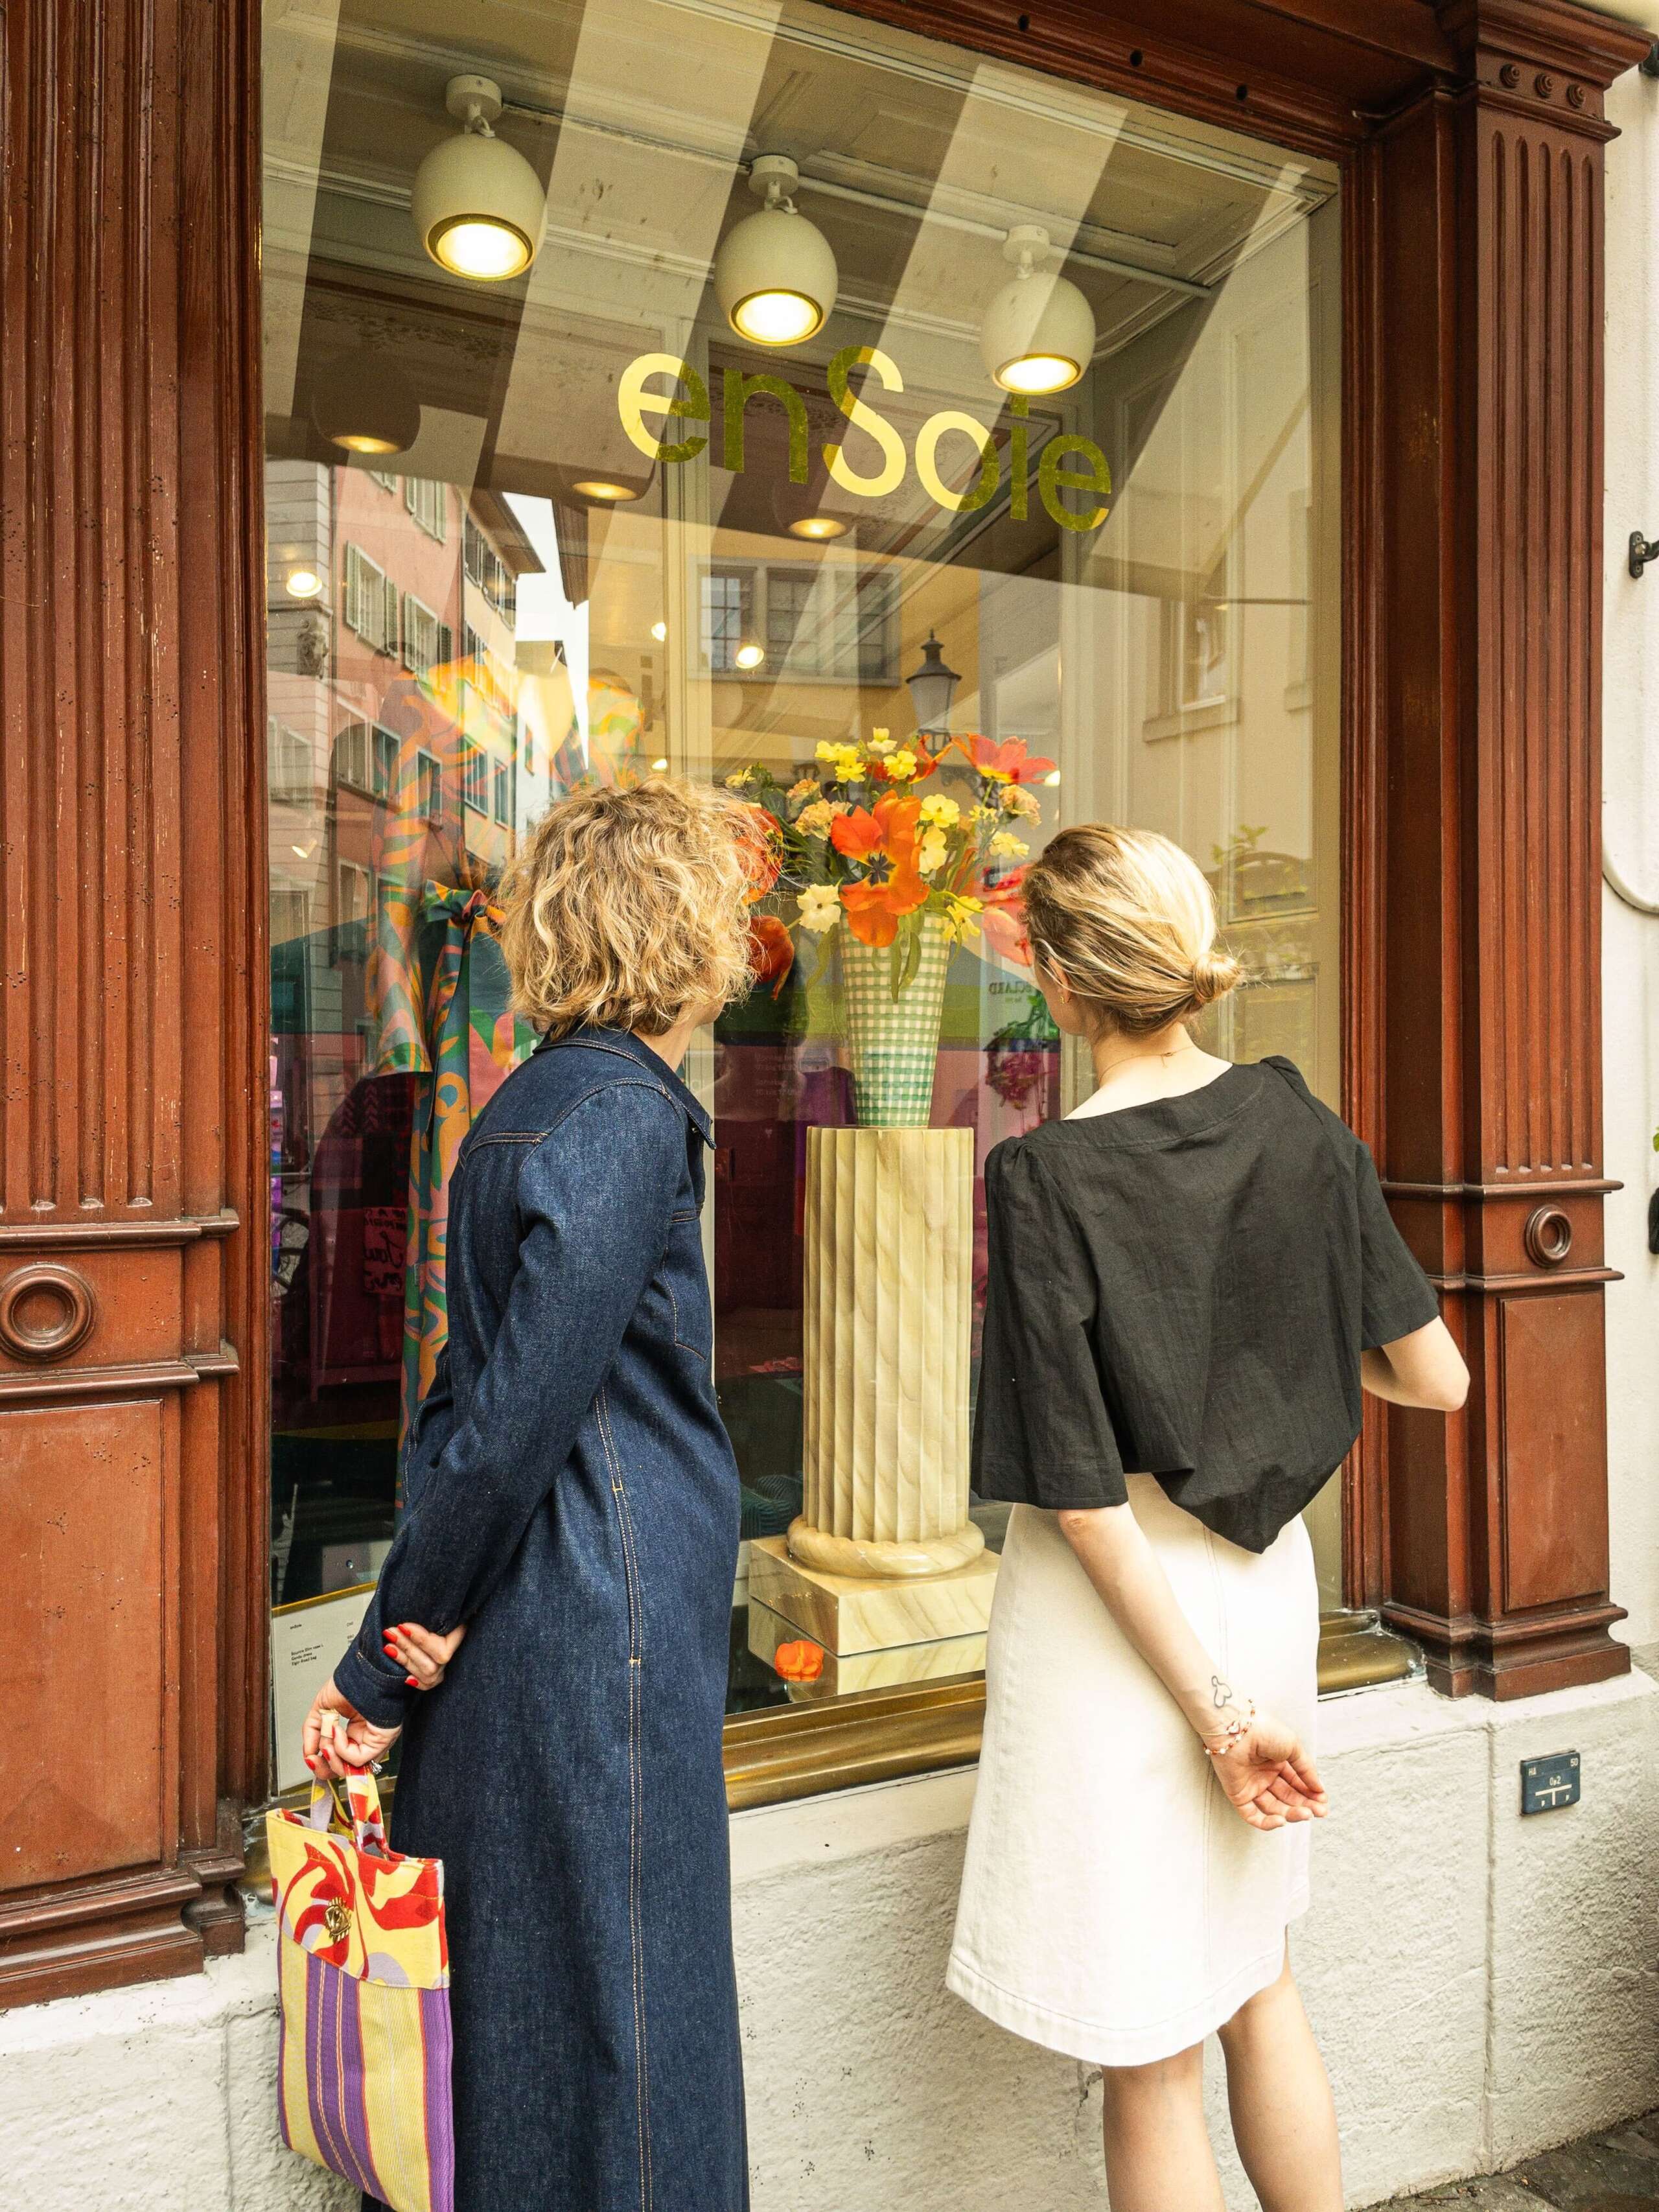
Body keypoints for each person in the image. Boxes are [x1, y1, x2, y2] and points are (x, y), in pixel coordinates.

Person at [947, 823, 1468, 2212]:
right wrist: (1269, 1362)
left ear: (1056, 980)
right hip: (1259, 1587)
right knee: (1256, 1981)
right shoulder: (1292, 1118)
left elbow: (1080, 1506)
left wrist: (1215, 1720)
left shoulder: (1046, 1176)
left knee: (1151, 2052)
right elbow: (1434, 1375)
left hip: (1120, 1630)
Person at [301, 778, 761, 2212]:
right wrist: (387, 1650)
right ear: (681, 928)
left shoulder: (526, 1104)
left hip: (538, 1613)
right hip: (595, 1620)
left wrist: (408, 1621)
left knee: (528, 2014)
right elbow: (512, 1416)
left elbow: (467, 1400)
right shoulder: (624, 1114)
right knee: (630, 2022)